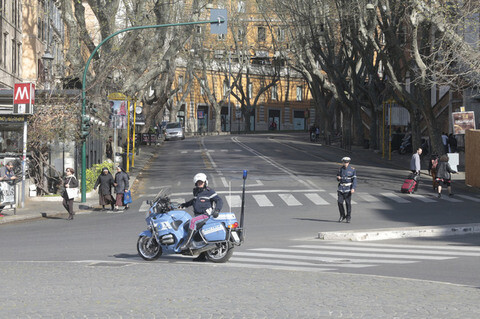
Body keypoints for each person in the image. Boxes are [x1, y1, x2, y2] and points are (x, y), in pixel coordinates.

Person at [179, 173, 223, 261]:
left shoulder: (209, 191)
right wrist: (184, 205)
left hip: (205, 215)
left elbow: (219, 200)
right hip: (198, 215)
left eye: (201, 182)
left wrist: (217, 210)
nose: (200, 184)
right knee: (197, 232)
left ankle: (187, 244)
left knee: (193, 221)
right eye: (198, 182)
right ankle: (202, 256)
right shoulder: (196, 191)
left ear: (205, 182)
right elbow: (194, 201)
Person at [336, 157, 357, 223]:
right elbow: (338, 177)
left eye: (346, 162)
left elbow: (354, 180)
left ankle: (348, 217)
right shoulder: (340, 169)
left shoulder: (352, 169)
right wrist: (338, 178)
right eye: (344, 162)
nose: (345, 163)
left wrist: (353, 188)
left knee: (348, 203)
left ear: (349, 162)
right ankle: (342, 215)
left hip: (348, 188)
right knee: (339, 202)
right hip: (341, 188)